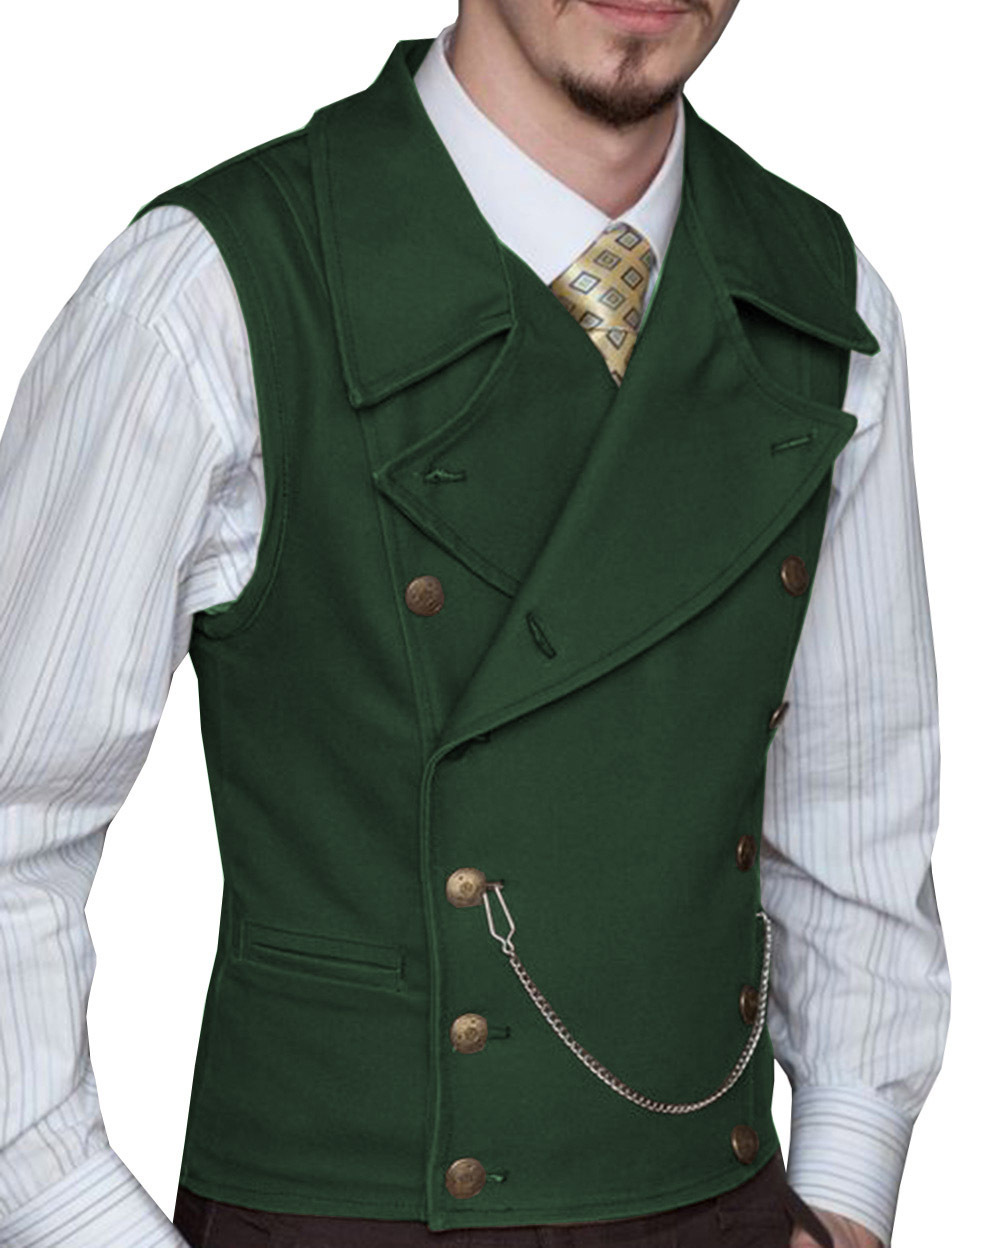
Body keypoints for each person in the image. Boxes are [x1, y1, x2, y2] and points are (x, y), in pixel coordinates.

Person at [0, 3, 950, 1247]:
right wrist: (77, 1217)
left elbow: (856, 802)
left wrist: (845, 1186)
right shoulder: (211, 288)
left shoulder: (824, 293)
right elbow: (13, 819)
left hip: (725, 1205)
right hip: (346, 1217)